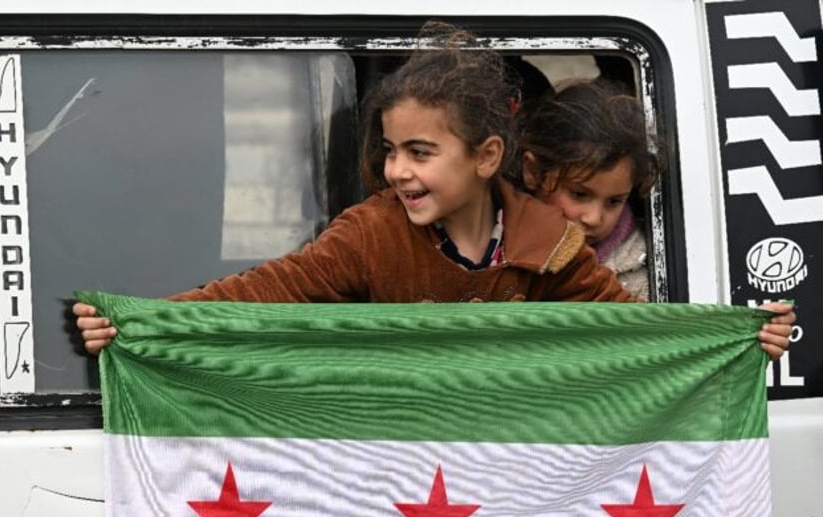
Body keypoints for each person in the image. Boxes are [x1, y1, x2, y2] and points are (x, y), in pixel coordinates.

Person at [74, 23, 795, 359]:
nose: (396, 172)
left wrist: (736, 336)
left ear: (487, 156)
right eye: (390, 152)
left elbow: (633, 330)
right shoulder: (369, 234)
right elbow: (264, 291)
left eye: (420, 152)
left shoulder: (551, 244)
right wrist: (144, 321)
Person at [517, 79, 659, 301]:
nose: (594, 219)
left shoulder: (639, 269)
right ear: (533, 172)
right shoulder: (495, 248)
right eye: (579, 194)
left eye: (614, 201)